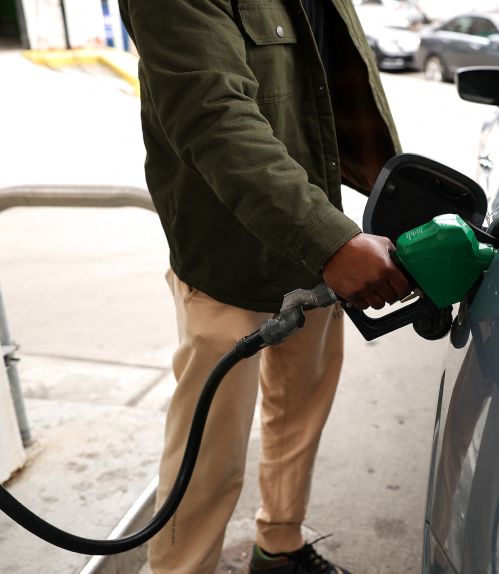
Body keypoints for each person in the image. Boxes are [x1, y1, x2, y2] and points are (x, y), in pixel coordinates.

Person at [117, 1, 410, 573]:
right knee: (208, 452)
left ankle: (280, 546)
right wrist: (331, 241)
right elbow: (212, 114)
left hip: (318, 234)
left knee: (300, 412)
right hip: (230, 255)